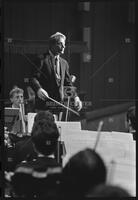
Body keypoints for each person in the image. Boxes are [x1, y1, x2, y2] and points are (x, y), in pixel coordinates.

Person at [30, 32, 82, 119]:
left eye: (64, 44)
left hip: (59, 107)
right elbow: (32, 78)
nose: (64, 47)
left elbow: (68, 84)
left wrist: (76, 97)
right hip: (43, 106)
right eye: (61, 44)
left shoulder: (64, 63)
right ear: (52, 45)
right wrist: (38, 89)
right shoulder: (40, 59)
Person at [11, 119, 62, 198]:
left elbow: (15, 193)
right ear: (56, 145)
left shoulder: (22, 170)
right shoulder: (66, 173)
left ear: (34, 146)